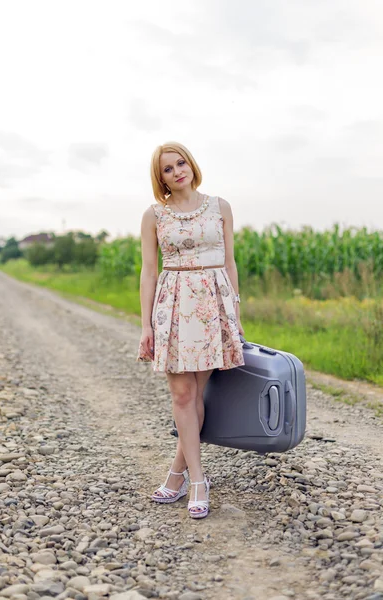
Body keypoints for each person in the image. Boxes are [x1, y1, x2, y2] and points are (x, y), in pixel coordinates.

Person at [136, 141, 245, 519]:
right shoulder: (154, 215)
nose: (177, 171)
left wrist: (234, 309)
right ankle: (198, 479)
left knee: (198, 394)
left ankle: (178, 473)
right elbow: (149, 272)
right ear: (161, 178)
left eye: (180, 163)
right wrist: (146, 323)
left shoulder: (220, 207)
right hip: (174, 303)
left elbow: (229, 263)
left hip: (212, 304)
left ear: (191, 164)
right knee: (183, 395)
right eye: (168, 169)